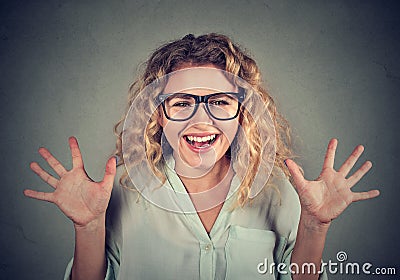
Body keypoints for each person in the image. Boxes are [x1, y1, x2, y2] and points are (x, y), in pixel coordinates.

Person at [24, 33, 380, 280]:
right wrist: (87, 227)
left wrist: (316, 225)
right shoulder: (118, 191)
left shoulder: (279, 192)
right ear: (159, 115)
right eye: (181, 103)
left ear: (242, 112)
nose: (200, 120)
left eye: (219, 102)